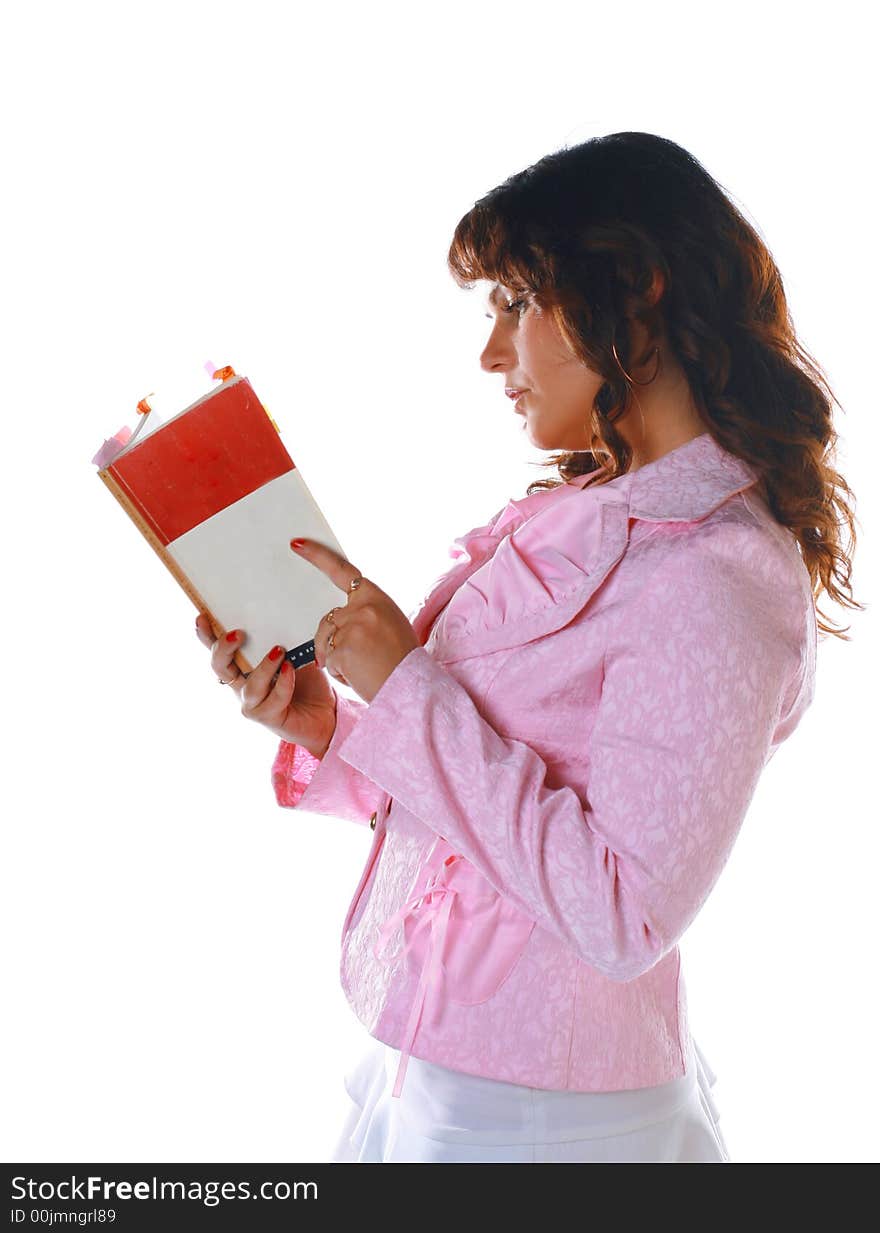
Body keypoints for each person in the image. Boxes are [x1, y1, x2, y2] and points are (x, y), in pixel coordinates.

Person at [194, 132, 861, 1163]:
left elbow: (623, 913)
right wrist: (332, 724)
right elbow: (478, 821)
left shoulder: (714, 579)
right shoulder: (591, 514)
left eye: (513, 303)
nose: (491, 353)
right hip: (431, 1076)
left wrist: (408, 691)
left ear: (632, 288)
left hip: (547, 1130)